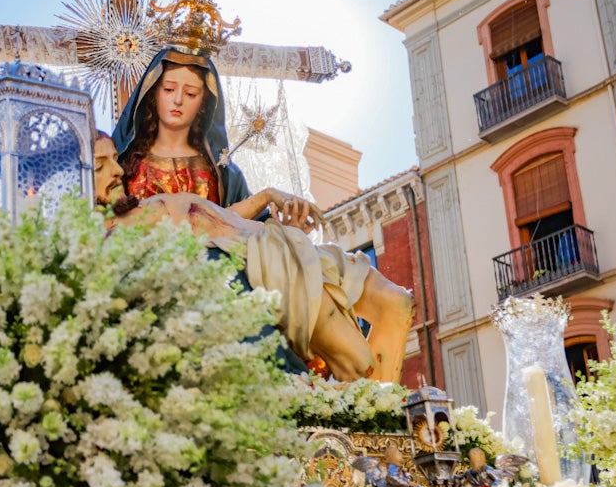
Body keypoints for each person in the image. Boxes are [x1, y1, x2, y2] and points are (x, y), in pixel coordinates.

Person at [93, 133, 415, 384]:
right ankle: (380, 455)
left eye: (114, 159)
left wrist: (268, 195)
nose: (118, 169)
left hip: (283, 243)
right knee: (361, 368)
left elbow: (218, 216)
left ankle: (383, 440)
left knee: (398, 303)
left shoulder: (146, 208)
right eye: (100, 165)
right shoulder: (111, 244)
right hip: (271, 270)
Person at [111, 48, 318, 231]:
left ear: (204, 103)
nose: (178, 100)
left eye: (191, 93)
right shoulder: (119, 164)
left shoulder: (224, 174)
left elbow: (251, 229)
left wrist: (287, 231)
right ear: (153, 94)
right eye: (168, 89)